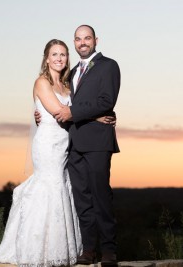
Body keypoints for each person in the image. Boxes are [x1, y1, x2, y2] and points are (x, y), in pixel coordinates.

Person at [0, 39, 112, 267]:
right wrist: (97, 116)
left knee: (64, 189)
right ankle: (37, 249)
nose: (59, 58)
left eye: (63, 54)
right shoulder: (41, 83)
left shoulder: (68, 86)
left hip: (65, 145)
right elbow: (59, 112)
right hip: (48, 145)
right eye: (54, 54)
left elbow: (75, 109)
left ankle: (63, 248)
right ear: (46, 58)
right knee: (50, 186)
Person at [53, 25, 121, 265]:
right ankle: (88, 249)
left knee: (101, 196)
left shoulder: (109, 66)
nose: (83, 43)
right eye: (79, 39)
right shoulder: (71, 73)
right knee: (82, 199)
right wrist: (44, 115)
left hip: (98, 143)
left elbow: (106, 100)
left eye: (87, 38)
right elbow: (63, 105)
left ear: (95, 40)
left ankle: (109, 250)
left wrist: (74, 112)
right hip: (75, 144)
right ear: (74, 42)